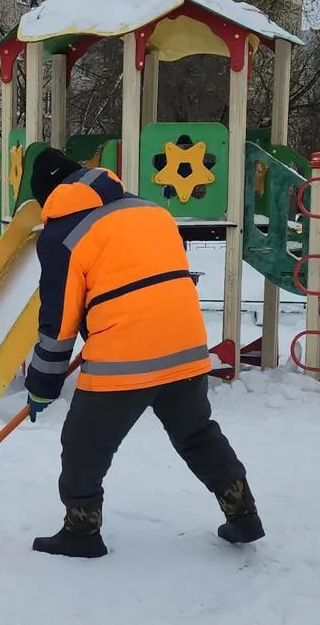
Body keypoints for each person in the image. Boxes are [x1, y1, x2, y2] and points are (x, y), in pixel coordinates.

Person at [21, 146, 264, 558]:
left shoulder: (63, 234)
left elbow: (58, 320)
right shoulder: (151, 212)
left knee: (83, 442)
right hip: (185, 343)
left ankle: (81, 532)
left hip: (125, 352)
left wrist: (42, 383)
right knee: (196, 432)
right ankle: (242, 513)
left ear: (49, 194)